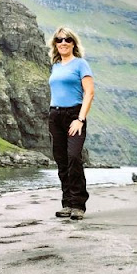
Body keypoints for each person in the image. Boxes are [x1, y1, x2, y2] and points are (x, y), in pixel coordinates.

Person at [48, 27, 94, 221]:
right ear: (55, 44)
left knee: (74, 156)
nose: (63, 43)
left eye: (67, 39)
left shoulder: (80, 64)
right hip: (55, 115)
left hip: (74, 114)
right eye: (59, 40)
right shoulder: (55, 66)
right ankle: (67, 203)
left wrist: (80, 119)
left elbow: (89, 93)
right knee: (61, 160)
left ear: (73, 43)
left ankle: (78, 204)